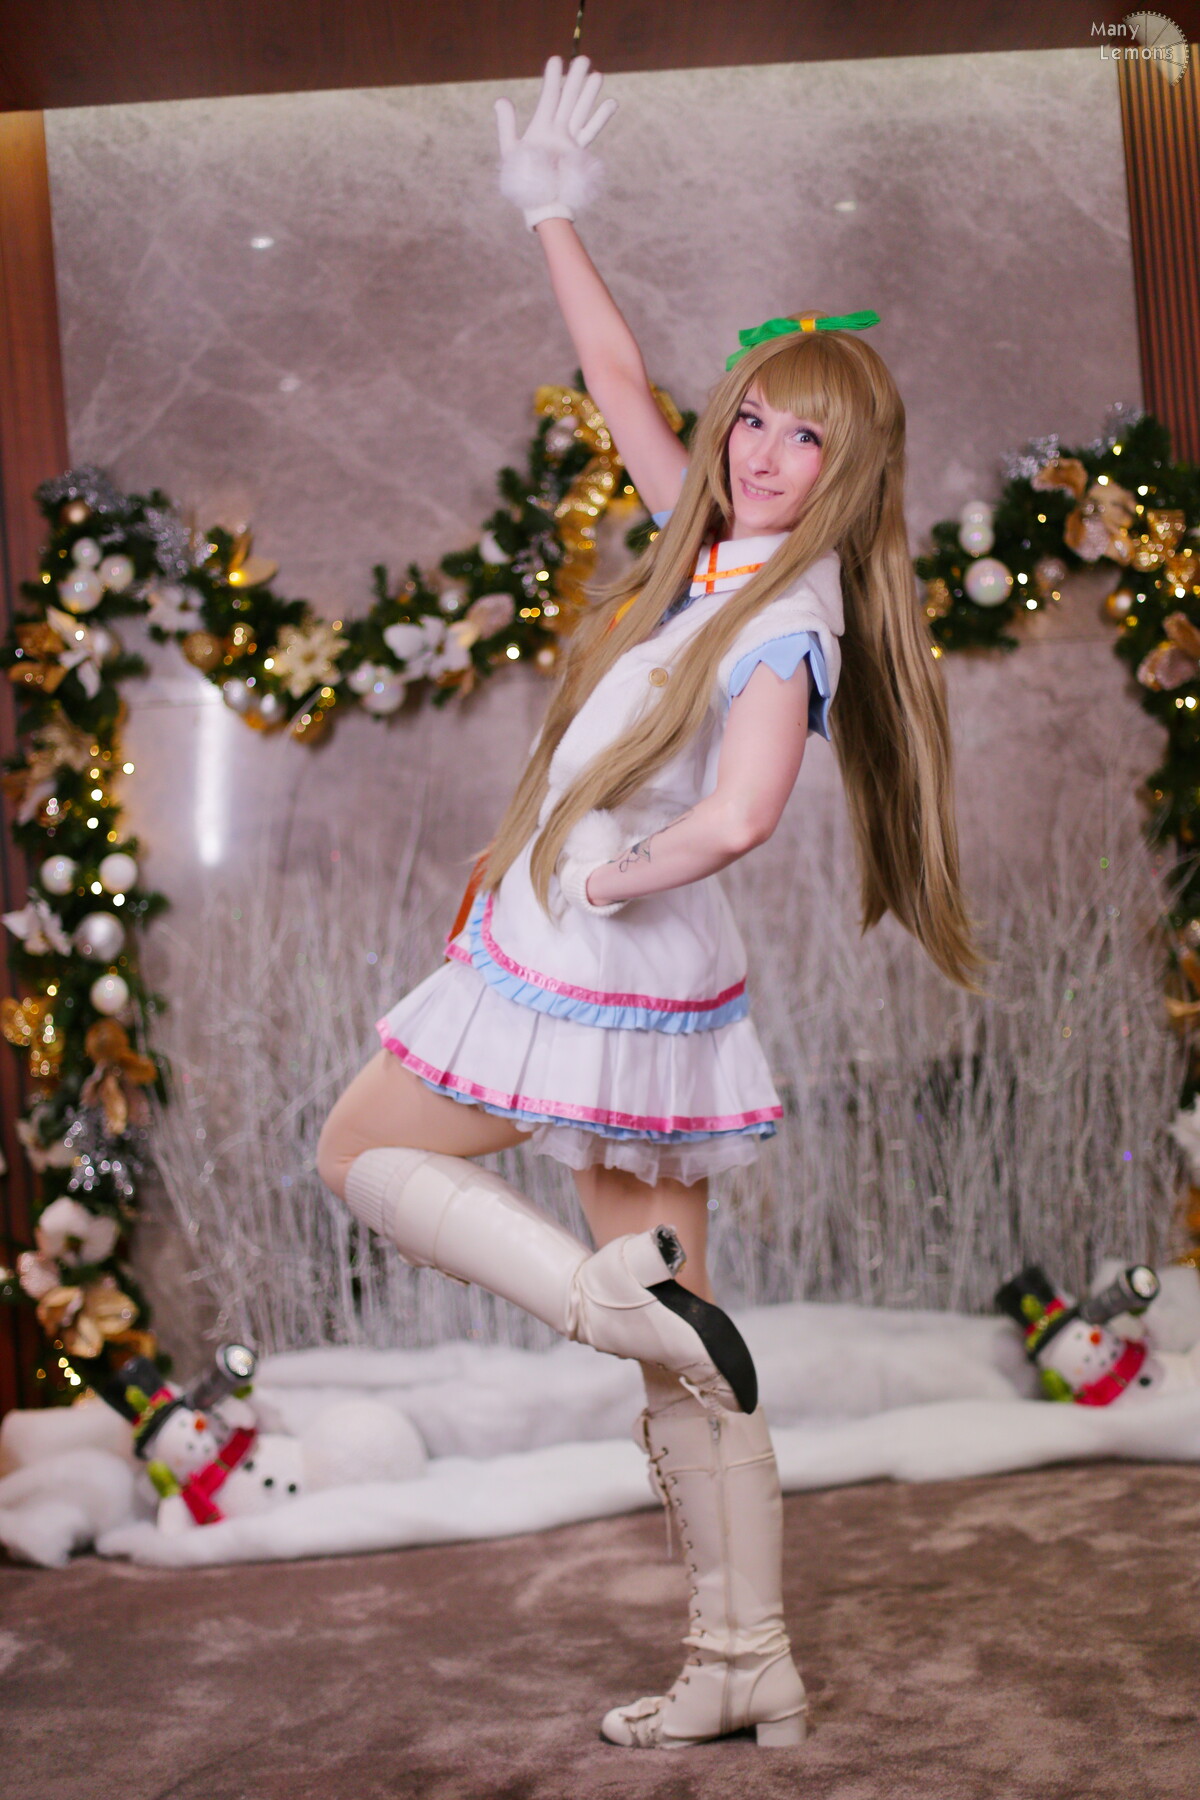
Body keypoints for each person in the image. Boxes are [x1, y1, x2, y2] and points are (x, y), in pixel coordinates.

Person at [316, 55, 984, 1751]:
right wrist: (550, 209)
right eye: (753, 414)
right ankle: (745, 1657)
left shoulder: (788, 616)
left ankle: (596, 1304)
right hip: (617, 957)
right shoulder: (710, 556)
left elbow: (746, 811)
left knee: (362, 1151)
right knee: (686, 1343)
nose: (761, 451)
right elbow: (618, 374)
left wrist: (605, 867)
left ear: (850, 467)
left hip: (603, 945)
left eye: (804, 435)